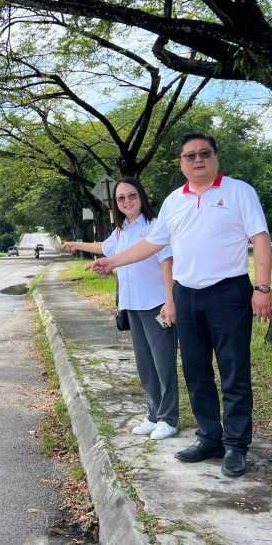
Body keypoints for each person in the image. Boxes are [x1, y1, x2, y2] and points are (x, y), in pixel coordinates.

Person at [89, 133, 272, 478]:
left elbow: (260, 239)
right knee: (195, 370)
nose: (197, 159)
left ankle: (236, 444)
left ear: (215, 157)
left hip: (228, 292)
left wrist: (262, 287)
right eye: (190, 156)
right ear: (181, 163)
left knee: (234, 372)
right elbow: (152, 244)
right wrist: (113, 261)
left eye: (204, 153)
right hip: (186, 294)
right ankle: (209, 437)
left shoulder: (238, 191)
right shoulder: (175, 201)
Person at [63, 177, 179, 441]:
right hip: (132, 306)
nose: (127, 201)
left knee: (163, 364)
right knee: (145, 364)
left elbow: (167, 265)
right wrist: (76, 245)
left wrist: (170, 301)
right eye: (121, 198)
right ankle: (154, 415)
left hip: (156, 305)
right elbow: (104, 248)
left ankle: (169, 418)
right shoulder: (121, 231)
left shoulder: (154, 227)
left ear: (142, 197)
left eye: (132, 196)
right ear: (116, 204)